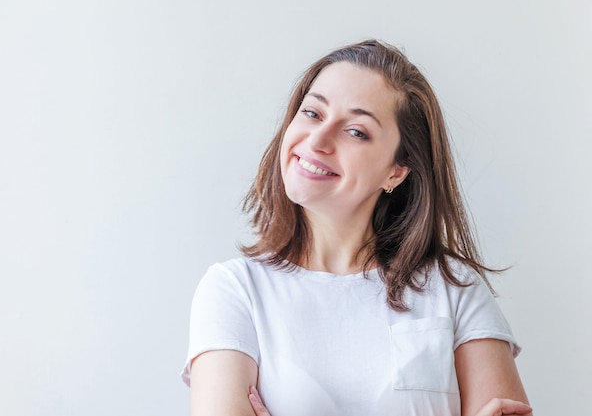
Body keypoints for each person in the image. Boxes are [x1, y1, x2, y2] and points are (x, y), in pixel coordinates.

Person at [182, 39, 533, 416]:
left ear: (396, 170)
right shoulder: (235, 291)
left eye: (356, 132)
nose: (317, 139)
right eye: (313, 113)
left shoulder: (455, 291)